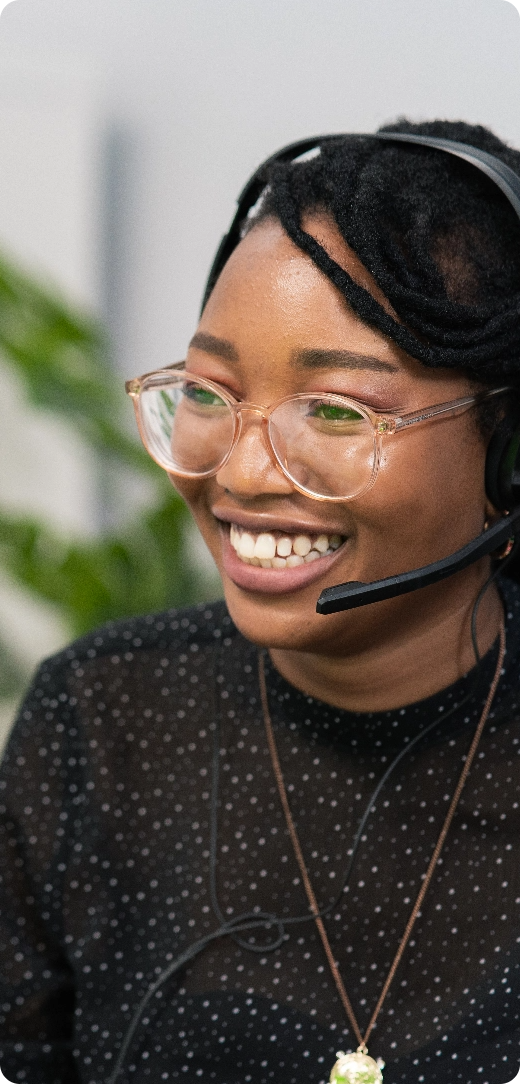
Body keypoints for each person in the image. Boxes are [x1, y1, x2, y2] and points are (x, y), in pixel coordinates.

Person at [1, 118, 520, 1084]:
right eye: (208, 391)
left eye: (335, 410)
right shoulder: (101, 723)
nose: (238, 471)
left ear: (508, 453)